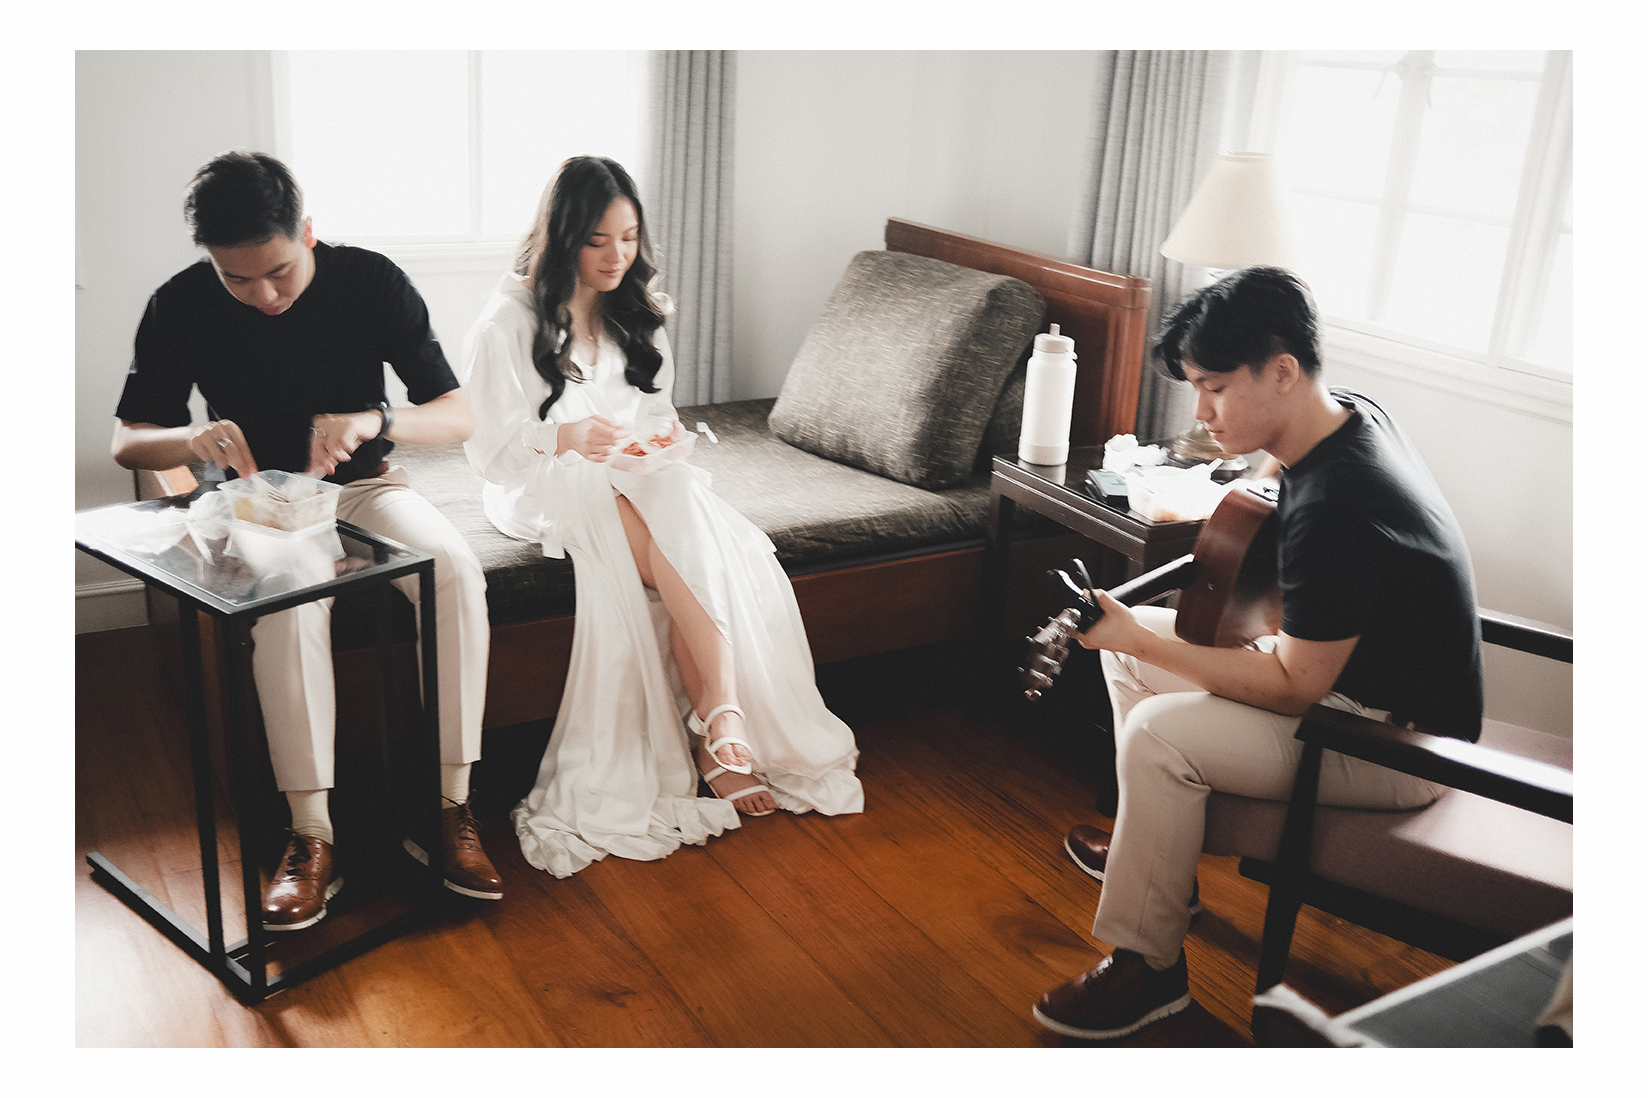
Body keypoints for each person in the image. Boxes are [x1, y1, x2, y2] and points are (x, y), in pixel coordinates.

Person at [1033, 267, 1483, 1040]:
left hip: (1401, 743)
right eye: (1195, 389)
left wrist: (1139, 632)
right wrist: (1147, 628)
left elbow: (1291, 685)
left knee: (1157, 727)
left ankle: (1150, 972)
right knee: (1127, 655)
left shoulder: (1340, 506)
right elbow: (1272, 492)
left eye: (1214, 389)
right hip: (1349, 686)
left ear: (1281, 371)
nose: (1201, 412)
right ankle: (1158, 858)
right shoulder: (1347, 415)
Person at [111, 151, 503, 930]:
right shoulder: (179, 303)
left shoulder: (372, 280)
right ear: (210, 259)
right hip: (261, 501)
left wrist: (375, 420)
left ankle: (449, 806)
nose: (263, 295)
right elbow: (127, 441)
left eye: (279, 272)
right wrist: (191, 440)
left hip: (366, 487)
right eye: (237, 279)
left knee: (456, 568)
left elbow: (458, 415)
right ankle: (311, 833)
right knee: (291, 598)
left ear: (309, 232)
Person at [463, 156, 862, 878]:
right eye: (597, 241)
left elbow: (652, 412)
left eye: (628, 238)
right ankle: (721, 724)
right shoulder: (508, 320)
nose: (617, 256)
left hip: (636, 475)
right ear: (561, 238)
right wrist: (564, 437)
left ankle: (720, 719)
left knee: (680, 507)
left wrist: (661, 438)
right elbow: (491, 452)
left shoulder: (634, 308)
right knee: (676, 525)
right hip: (541, 482)